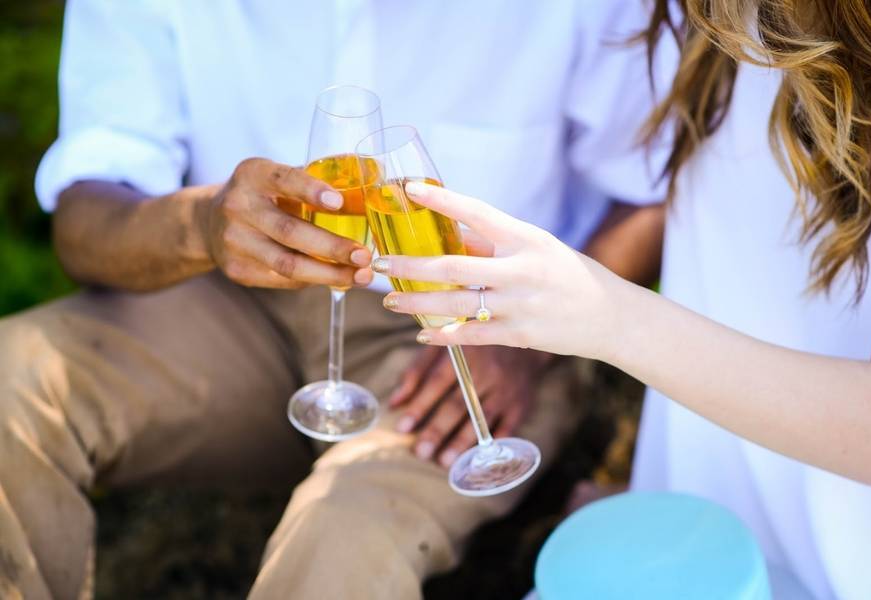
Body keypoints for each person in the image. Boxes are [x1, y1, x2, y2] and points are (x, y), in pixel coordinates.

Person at [0, 1, 669, 598]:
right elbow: (84, 224)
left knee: (342, 551)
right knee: (12, 383)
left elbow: (653, 196)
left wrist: (529, 339)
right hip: (235, 306)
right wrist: (202, 225)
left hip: (473, 336)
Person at [374, 1, 871, 598]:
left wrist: (606, 313)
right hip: (702, 516)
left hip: (849, 562)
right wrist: (667, 483)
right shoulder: (714, 16)